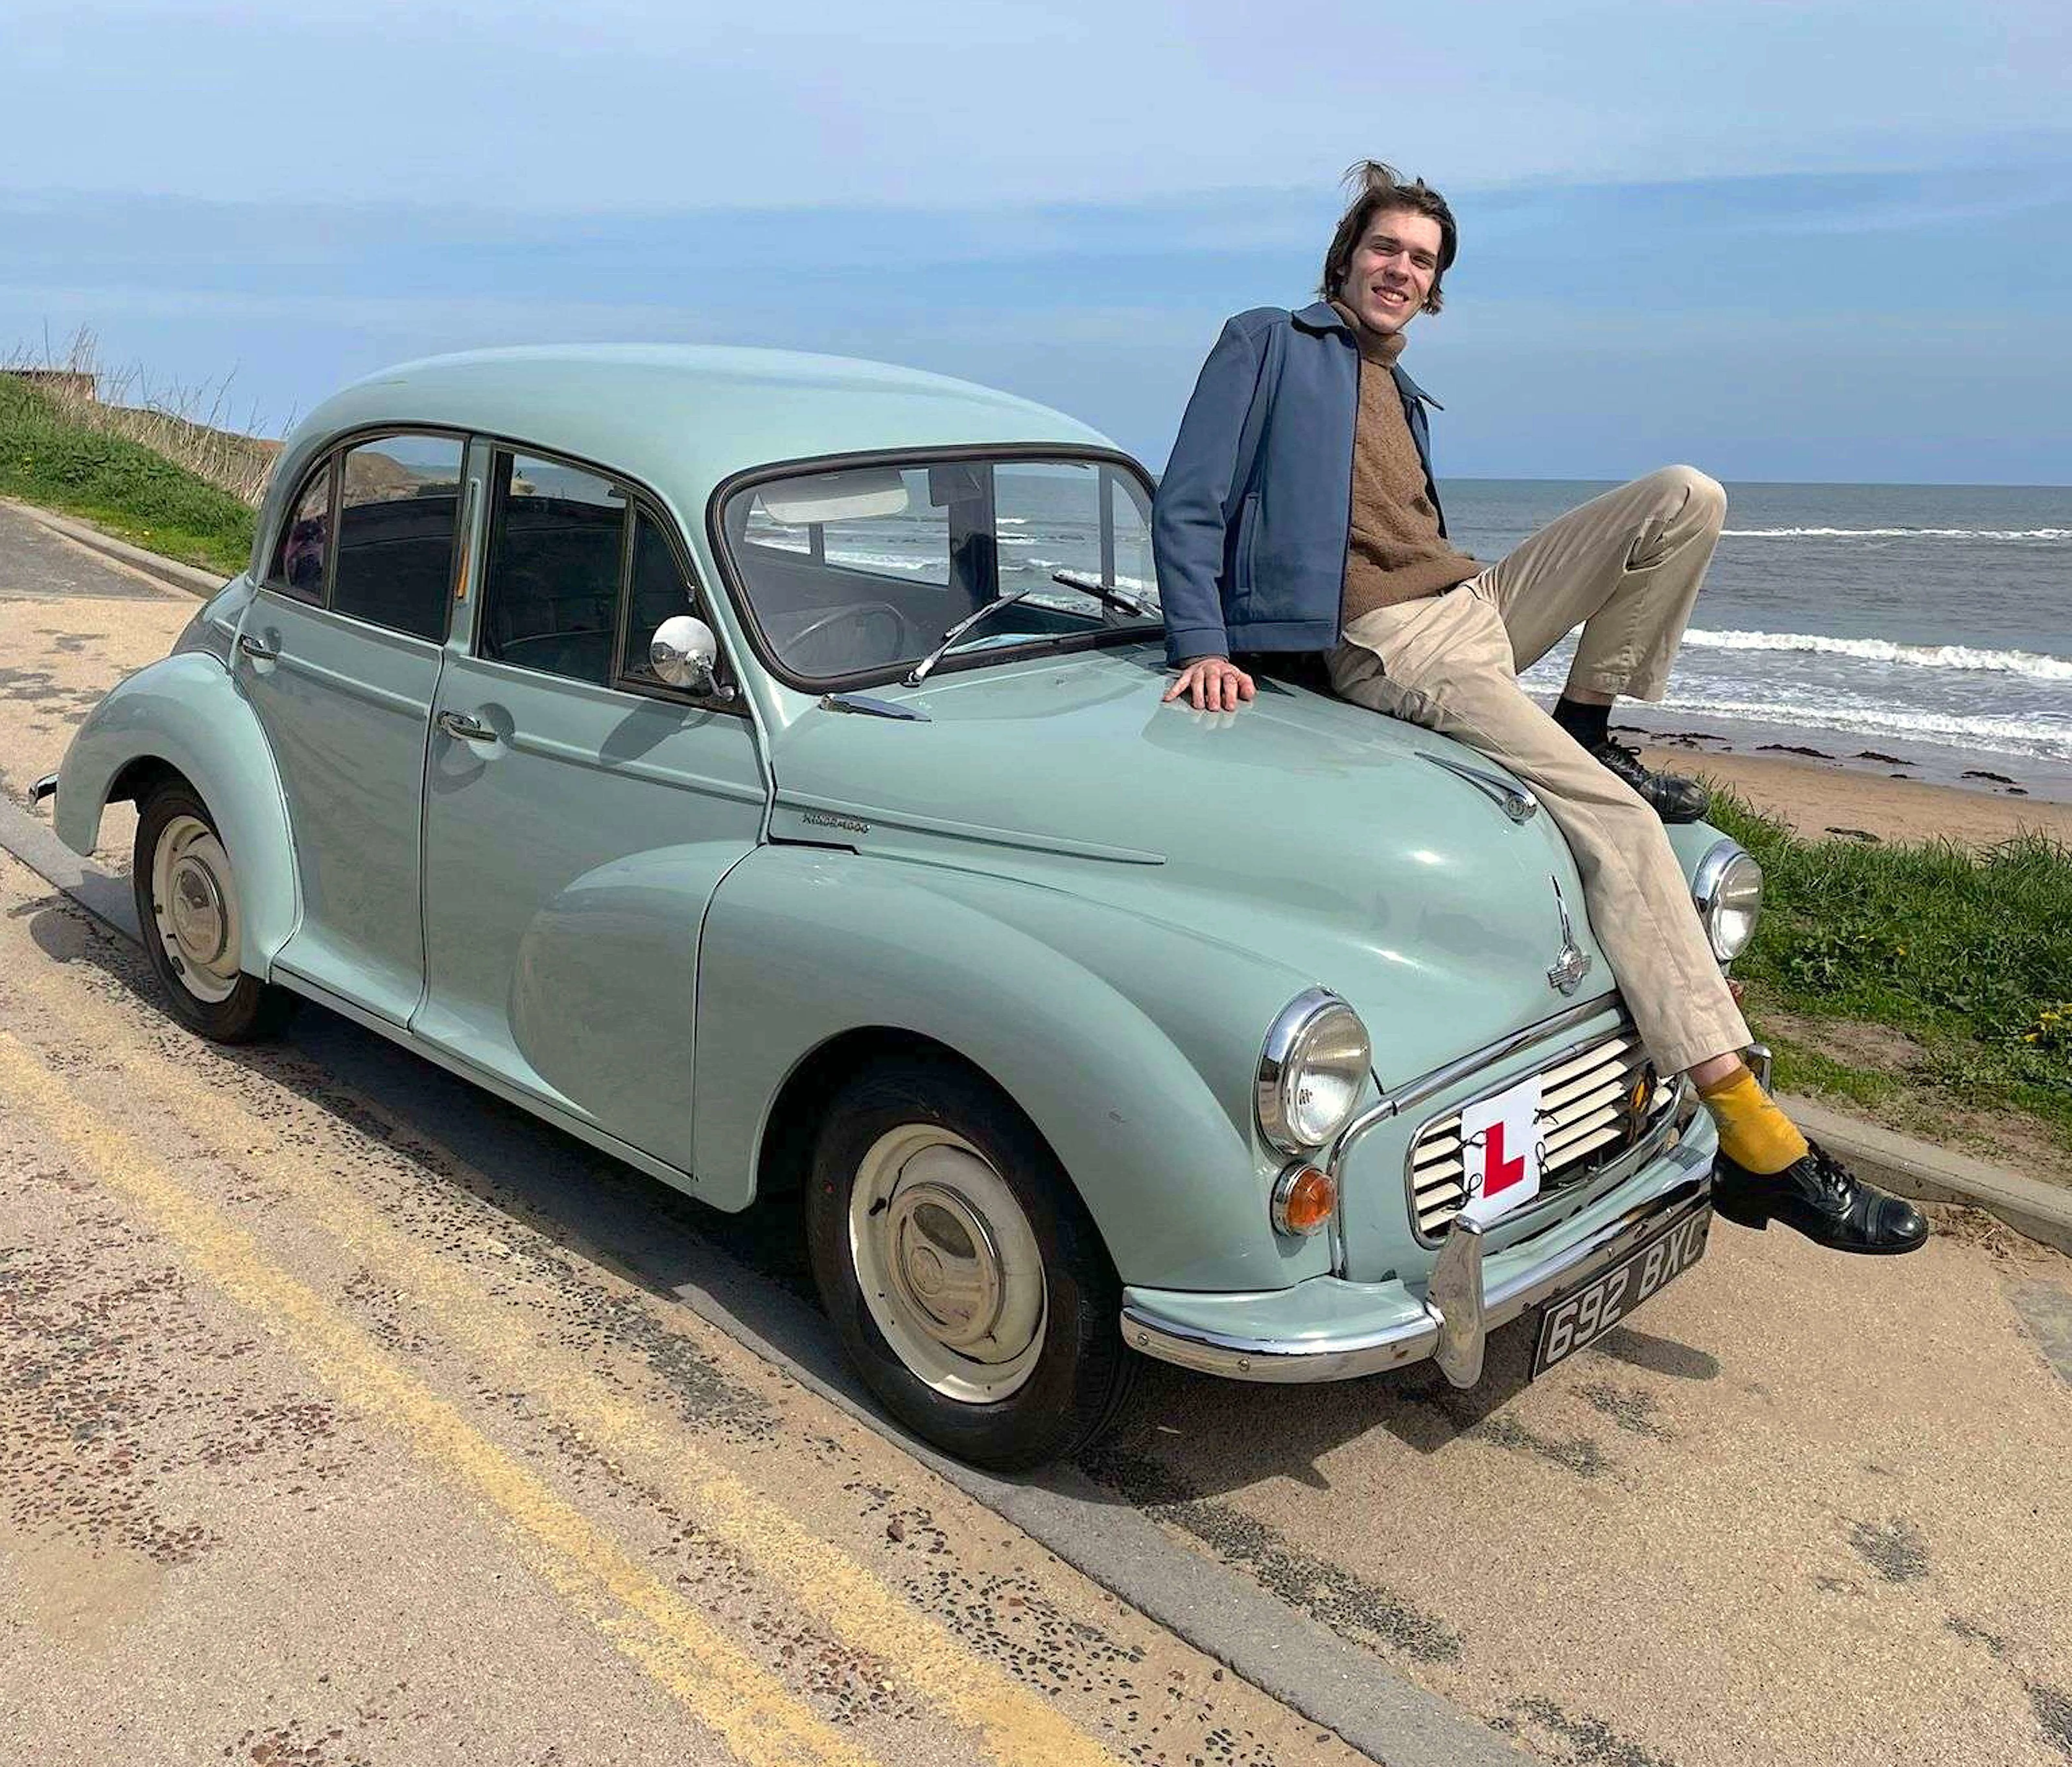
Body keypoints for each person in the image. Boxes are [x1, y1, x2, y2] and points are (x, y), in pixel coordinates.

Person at [1151, 160, 1926, 1257]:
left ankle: (1589, 722)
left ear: (1435, 288)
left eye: (1423, 261)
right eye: (1387, 249)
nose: (1402, 270)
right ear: (1348, 257)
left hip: (1471, 604)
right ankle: (1756, 1137)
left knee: (1685, 496)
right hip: (1393, 641)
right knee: (1621, 821)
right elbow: (1191, 499)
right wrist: (1204, 645)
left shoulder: (1402, 390)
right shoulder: (1269, 344)